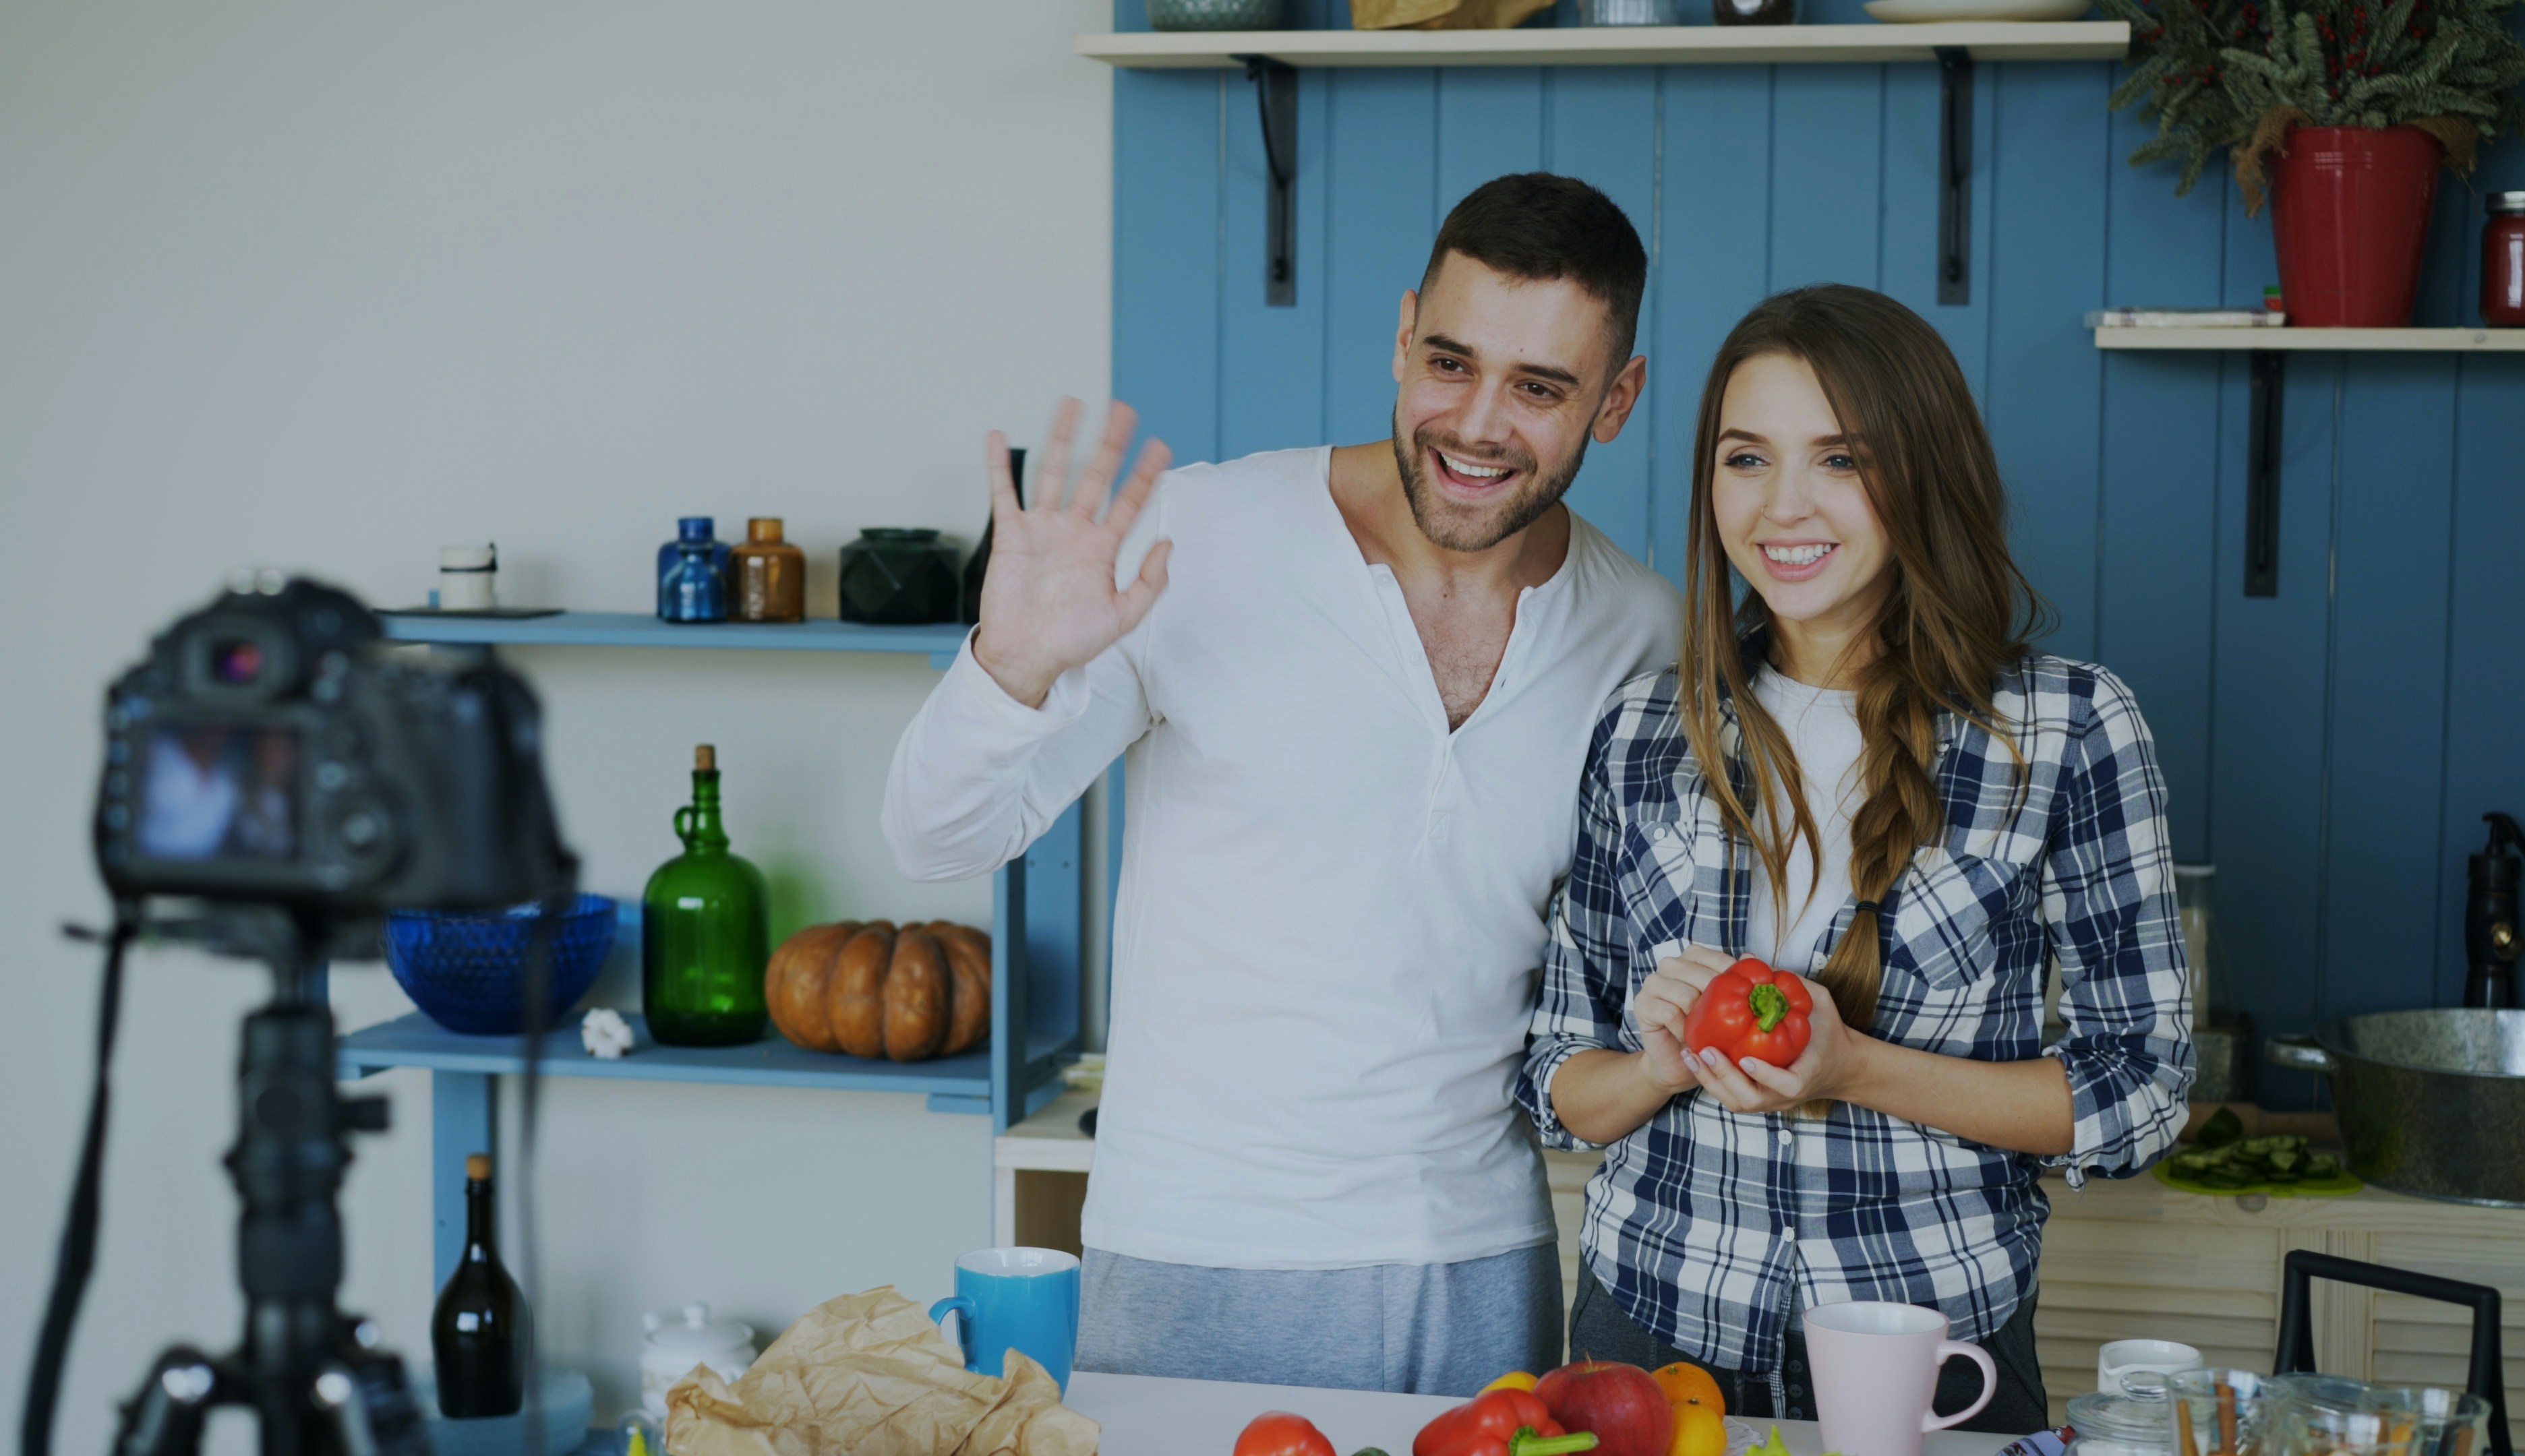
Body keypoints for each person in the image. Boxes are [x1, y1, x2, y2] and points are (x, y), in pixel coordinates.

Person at [883, 174, 1681, 1395]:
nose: (1476, 424)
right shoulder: (1199, 534)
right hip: (1193, 1256)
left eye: (1540, 388)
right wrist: (1013, 663)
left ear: (1616, 401)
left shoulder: (1642, 631)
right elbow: (936, 837)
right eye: (1451, 363)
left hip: (1484, 1265)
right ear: (1403, 333)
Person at [1516, 284, 2191, 1431]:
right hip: (1648, 1335)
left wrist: (1858, 1070)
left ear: (1922, 471)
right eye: (1746, 458)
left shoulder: (2068, 730)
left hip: (1929, 1347)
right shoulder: (1643, 730)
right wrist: (1657, 1066)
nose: (1784, 506)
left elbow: (2143, 1091)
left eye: (1839, 458)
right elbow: (1555, 1081)